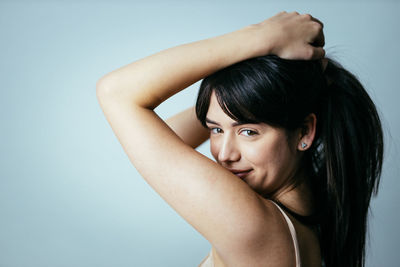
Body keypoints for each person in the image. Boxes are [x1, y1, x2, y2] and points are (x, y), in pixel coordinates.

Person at [96, 11, 383, 267]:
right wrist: (244, 93)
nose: (225, 154)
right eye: (216, 130)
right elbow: (163, 139)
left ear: (305, 132)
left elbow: (117, 93)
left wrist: (263, 37)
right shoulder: (309, 215)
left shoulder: (254, 226)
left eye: (249, 132)